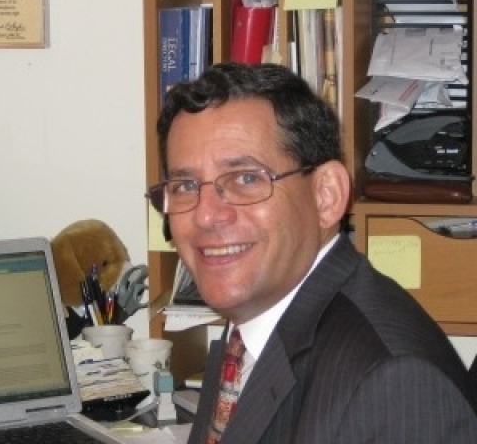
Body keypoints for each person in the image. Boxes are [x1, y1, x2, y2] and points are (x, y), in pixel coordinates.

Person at [145, 62, 477, 443]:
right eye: (185, 186)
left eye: (246, 178)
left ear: (326, 195)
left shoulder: (393, 383)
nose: (206, 215)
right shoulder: (261, 313)